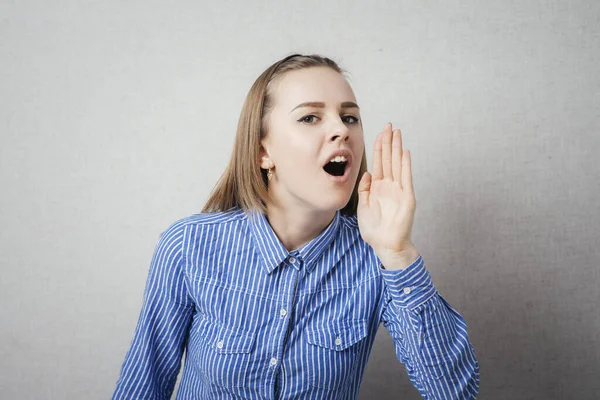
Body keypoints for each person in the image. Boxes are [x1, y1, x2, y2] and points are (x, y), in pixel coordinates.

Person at [112, 54, 480, 399]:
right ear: (262, 152)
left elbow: (454, 392)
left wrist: (397, 253)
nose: (342, 130)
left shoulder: (376, 259)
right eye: (310, 118)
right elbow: (144, 383)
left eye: (349, 117)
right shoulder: (189, 244)